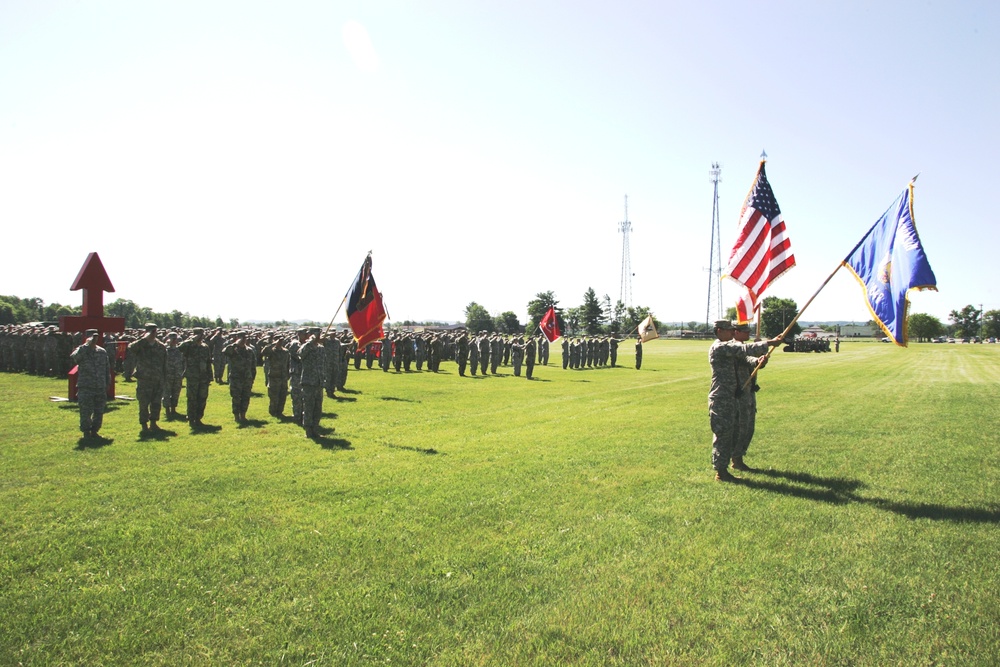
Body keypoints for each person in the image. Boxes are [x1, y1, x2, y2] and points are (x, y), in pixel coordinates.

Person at [708, 320, 781, 482]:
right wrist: (769, 342)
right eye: (729, 330)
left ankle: (735, 461)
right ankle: (721, 471)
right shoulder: (719, 347)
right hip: (722, 399)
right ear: (719, 331)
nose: (733, 333)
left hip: (736, 397)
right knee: (724, 434)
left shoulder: (730, 348)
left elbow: (746, 359)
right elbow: (742, 348)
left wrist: (758, 361)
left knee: (738, 432)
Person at [732, 323, 766, 472]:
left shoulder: (743, 347)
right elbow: (744, 356)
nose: (748, 333)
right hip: (737, 393)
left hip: (748, 392)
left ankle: (738, 458)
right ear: (736, 332)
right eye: (745, 331)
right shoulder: (731, 347)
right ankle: (734, 459)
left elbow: (749, 361)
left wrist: (759, 361)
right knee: (738, 428)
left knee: (748, 428)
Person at [71, 329, 112, 438]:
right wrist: (86, 346)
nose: (95, 339)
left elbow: (107, 368)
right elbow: (74, 358)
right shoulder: (82, 350)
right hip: (86, 386)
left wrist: (108, 383)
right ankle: (86, 432)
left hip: (100, 386)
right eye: (92, 336)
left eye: (96, 336)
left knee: (99, 411)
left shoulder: (102, 352)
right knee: (86, 410)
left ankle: (95, 430)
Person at [128, 323, 167, 433]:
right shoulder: (141, 344)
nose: (154, 333)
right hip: (144, 379)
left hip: (157, 379)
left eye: (154, 331)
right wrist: (144, 339)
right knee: (144, 403)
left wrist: (164, 377)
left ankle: (153, 423)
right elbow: (131, 348)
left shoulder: (160, 346)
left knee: (156, 403)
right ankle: (144, 425)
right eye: (151, 331)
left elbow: (164, 363)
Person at [178, 327, 213, 427]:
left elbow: (208, 362)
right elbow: (180, 348)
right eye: (200, 334)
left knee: (202, 398)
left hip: (203, 377)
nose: (202, 336)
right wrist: (192, 339)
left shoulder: (205, 347)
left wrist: (210, 376)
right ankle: (191, 418)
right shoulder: (189, 346)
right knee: (192, 398)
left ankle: (198, 418)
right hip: (192, 376)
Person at [296, 327, 326, 438]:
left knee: (317, 408)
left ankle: (315, 429)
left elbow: (322, 364)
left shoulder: (321, 348)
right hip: (308, 382)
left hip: (318, 382)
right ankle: (308, 431)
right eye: (316, 334)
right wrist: (311, 342)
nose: (318, 336)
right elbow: (300, 354)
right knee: (308, 407)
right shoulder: (306, 347)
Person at [223, 331, 256, 424]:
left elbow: (253, 366)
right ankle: (236, 416)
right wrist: (235, 344)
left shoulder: (249, 350)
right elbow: (224, 351)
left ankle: (243, 415)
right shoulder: (233, 350)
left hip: (247, 378)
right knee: (236, 397)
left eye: (245, 337)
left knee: (246, 397)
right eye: (242, 337)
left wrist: (252, 378)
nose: (244, 339)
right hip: (236, 378)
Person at [162, 331, 185, 420]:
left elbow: (183, 361)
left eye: (176, 339)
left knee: (176, 392)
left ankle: (173, 408)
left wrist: (183, 372)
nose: (175, 340)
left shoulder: (179, 350)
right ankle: (167, 409)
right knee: (167, 392)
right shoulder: (165, 350)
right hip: (168, 374)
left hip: (178, 374)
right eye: (173, 339)